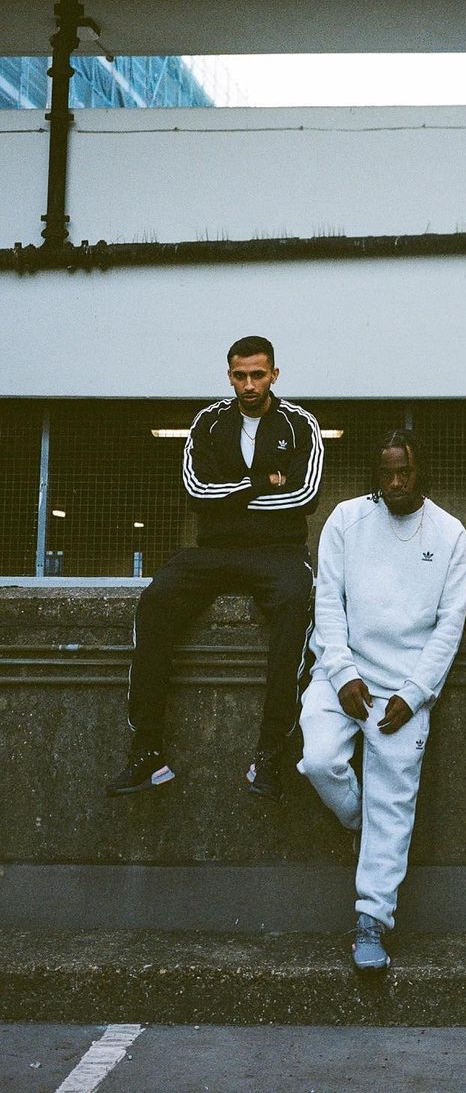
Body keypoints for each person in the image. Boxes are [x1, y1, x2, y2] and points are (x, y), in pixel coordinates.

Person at [105, 336, 323, 800]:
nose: (249, 384)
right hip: (214, 549)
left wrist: (230, 496)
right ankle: (147, 753)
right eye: (240, 376)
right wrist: (262, 482)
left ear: (274, 374)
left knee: (296, 606)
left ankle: (270, 753)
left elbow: (305, 497)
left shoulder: (300, 423)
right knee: (156, 601)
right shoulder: (208, 422)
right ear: (229, 376)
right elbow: (195, 492)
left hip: (279, 551)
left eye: (258, 375)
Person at [298, 430, 466, 970]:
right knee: (319, 760)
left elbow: (450, 626)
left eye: (405, 472)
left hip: (404, 689)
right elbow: (328, 603)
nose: (396, 483)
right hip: (342, 675)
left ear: (422, 473)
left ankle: (371, 922)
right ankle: (360, 823)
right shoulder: (346, 520)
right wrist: (342, 672)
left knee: (393, 806)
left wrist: (415, 694)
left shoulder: (450, 534)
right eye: (386, 474)